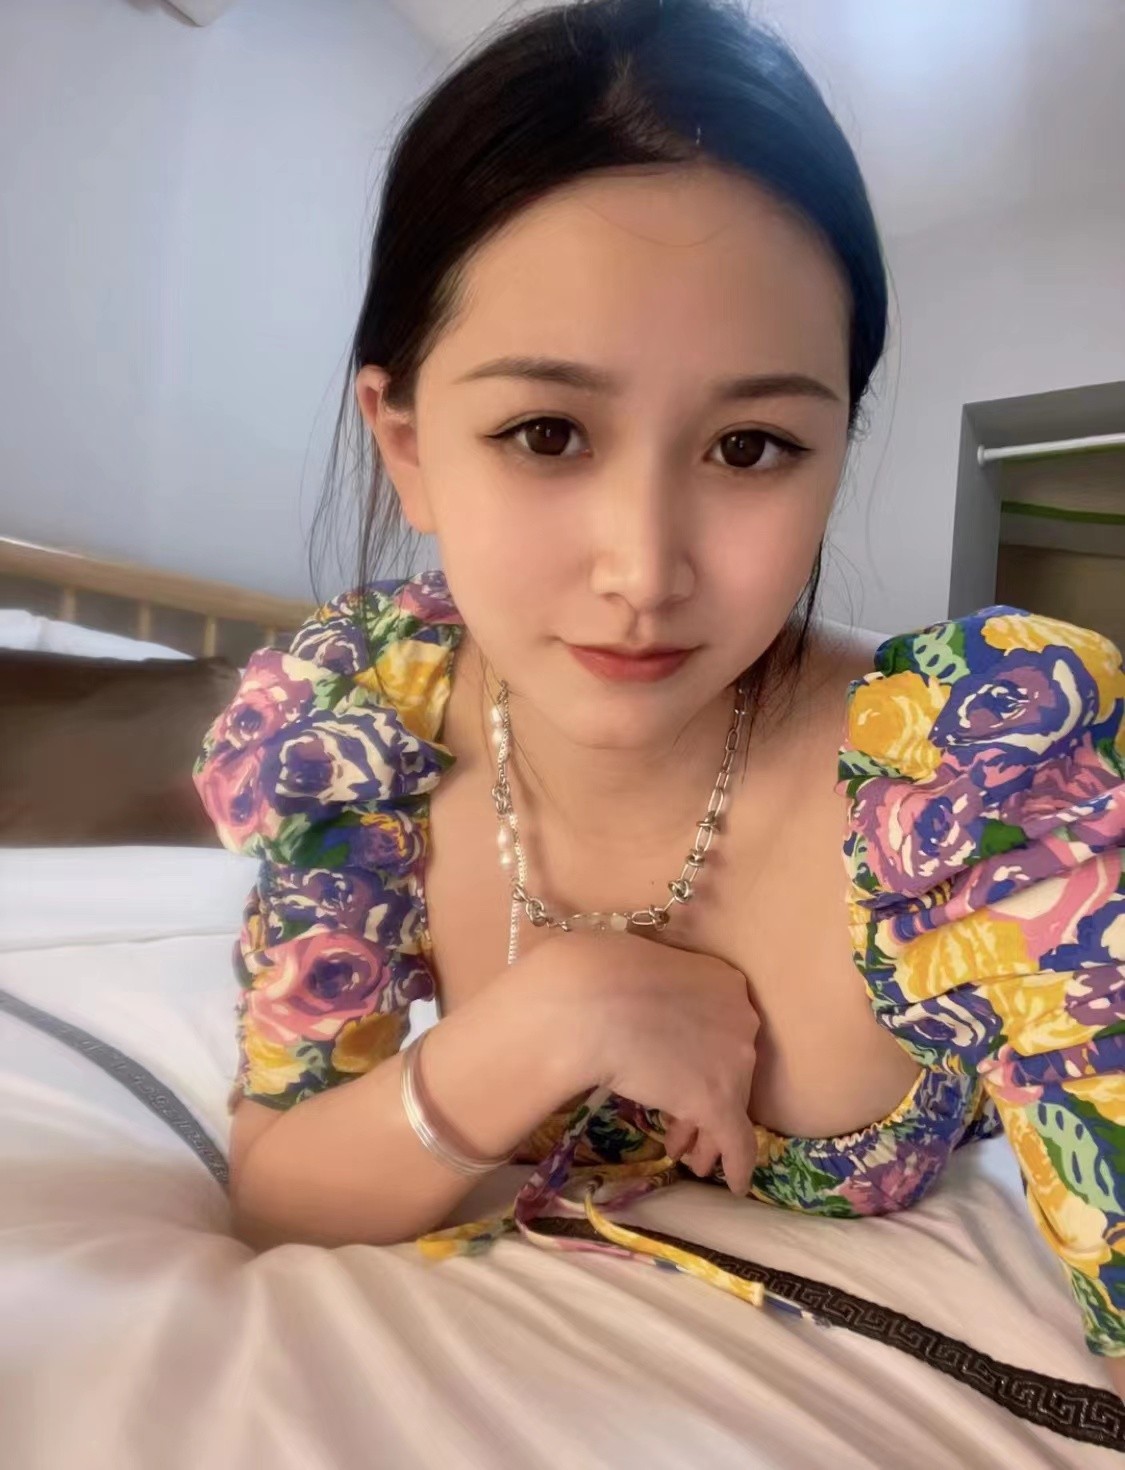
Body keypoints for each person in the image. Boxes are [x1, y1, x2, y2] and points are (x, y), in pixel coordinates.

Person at [194, 0, 1125, 1392]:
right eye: (545, 432)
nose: (643, 570)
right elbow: (279, 1186)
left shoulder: (980, 770)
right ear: (408, 443)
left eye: (750, 446)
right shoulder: (360, 735)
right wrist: (554, 1017)